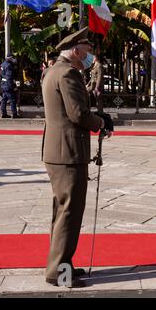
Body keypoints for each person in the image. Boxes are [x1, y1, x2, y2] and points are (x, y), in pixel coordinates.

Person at [41, 27, 114, 288]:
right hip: (69, 152)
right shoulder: (69, 73)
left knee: (62, 211)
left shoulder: (51, 71)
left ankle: (62, 264)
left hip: (57, 150)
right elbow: (78, 115)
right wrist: (101, 123)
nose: (89, 55)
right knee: (69, 212)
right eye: (86, 50)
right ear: (75, 50)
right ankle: (59, 273)